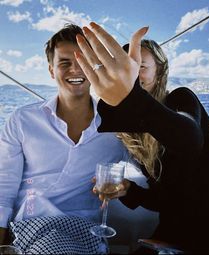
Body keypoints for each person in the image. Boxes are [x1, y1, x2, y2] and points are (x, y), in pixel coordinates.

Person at [75, 22, 209, 253]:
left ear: (159, 70)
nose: (133, 76)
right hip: (175, 231)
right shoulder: (132, 128)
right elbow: (166, 198)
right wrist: (128, 190)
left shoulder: (182, 99)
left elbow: (189, 140)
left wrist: (130, 97)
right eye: (126, 69)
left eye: (141, 67)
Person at [0, 23, 129, 246]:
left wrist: (128, 184)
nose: (76, 70)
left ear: (95, 66)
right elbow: (4, 188)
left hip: (87, 231)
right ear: (51, 70)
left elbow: (139, 169)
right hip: (31, 227)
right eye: (65, 63)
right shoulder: (22, 120)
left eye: (83, 62)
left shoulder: (118, 127)